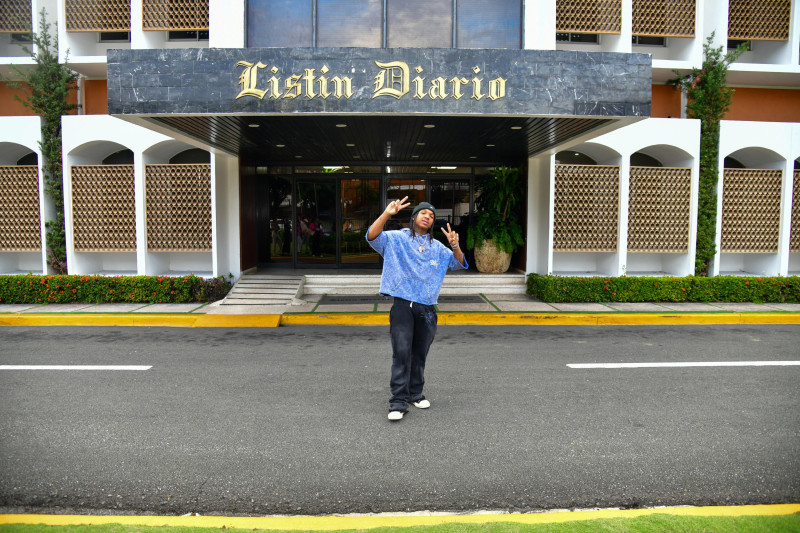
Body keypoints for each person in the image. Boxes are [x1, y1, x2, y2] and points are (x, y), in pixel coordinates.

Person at [366, 197, 468, 421]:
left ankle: (415, 393)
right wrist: (387, 214)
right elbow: (372, 236)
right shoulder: (396, 239)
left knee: (419, 354)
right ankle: (398, 401)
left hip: (427, 308)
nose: (427, 217)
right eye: (423, 213)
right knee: (402, 352)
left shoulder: (438, 248)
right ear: (414, 218)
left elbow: (458, 263)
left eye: (431, 216)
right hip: (403, 304)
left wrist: (455, 245)